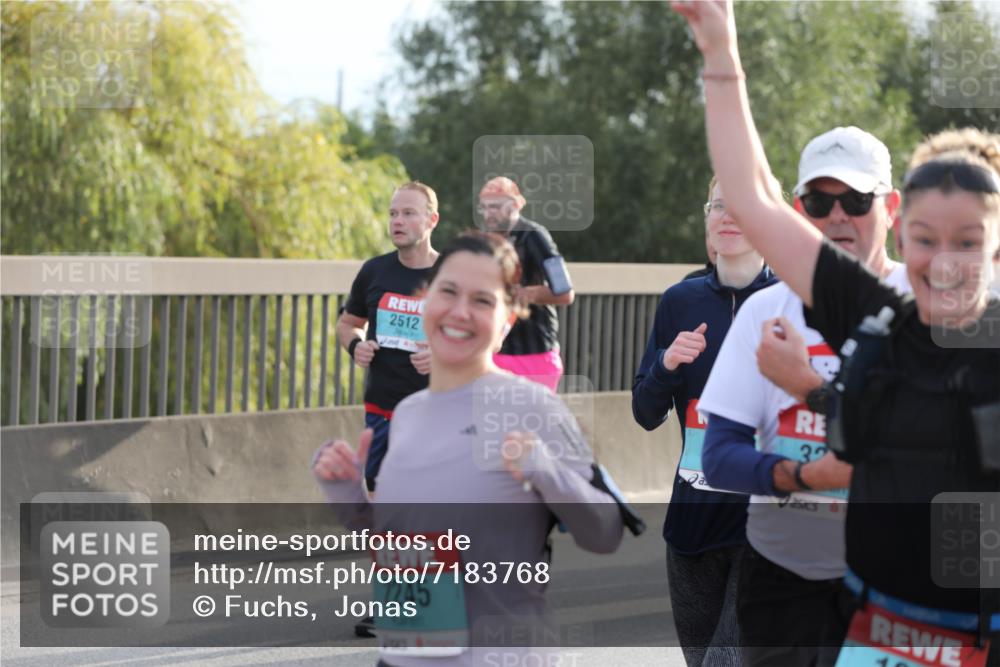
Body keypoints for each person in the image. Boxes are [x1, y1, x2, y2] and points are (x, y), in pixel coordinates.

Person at [673, 1, 1000, 664]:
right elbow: (755, 200)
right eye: (927, 241)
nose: (944, 261)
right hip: (876, 625)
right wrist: (720, 56)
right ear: (905, 239)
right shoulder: (881, 313)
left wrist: (810, 388)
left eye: (968, 241)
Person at [314, 231, 624, 667]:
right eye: (449, 291)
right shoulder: (408, 414)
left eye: (483, 300)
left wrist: (544, 469)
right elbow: (407, 550)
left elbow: (605, 532)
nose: (460, 311)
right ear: (426, 300)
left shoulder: (533, 407)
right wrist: (349, 500)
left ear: (507, 320)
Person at [696, 126, 910, 667]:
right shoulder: (763, 311)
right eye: (819, 201)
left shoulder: (923, 306)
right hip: (784, 581)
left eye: (857, 201)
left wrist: (811, 389)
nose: (837, 217)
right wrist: (804, 478)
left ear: (890, 207)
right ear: (797, 210)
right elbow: (718, 457)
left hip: (898, 582)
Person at [632, 175, 776, 666]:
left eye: (741, 205)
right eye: (718, 205)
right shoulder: (681, 301)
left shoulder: (793, 301)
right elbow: (645, 413)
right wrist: (666, 366)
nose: (728, 215)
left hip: (767, 524)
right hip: (692, 523)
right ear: (707, 219)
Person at [337, 181, 439, 493]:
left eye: (409, 213)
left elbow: (489, 338)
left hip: (436, 405)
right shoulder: (374, 271)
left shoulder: (453, 274)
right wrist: (356, 345)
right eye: (393, 213)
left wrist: (445, 355)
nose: (397, 221)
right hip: (382, 404)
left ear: (432, 220)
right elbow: (347, 324)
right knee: (380, 489)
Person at [478, 177, 574, 392]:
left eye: (495, 207)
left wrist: (521, 294)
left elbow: (565, 293)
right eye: (484, 207)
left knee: (530, 424)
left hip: (535, 353)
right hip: (494, 351)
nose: (488, 214)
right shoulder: (486, 240)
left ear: (514, 205)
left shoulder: (535, 236)